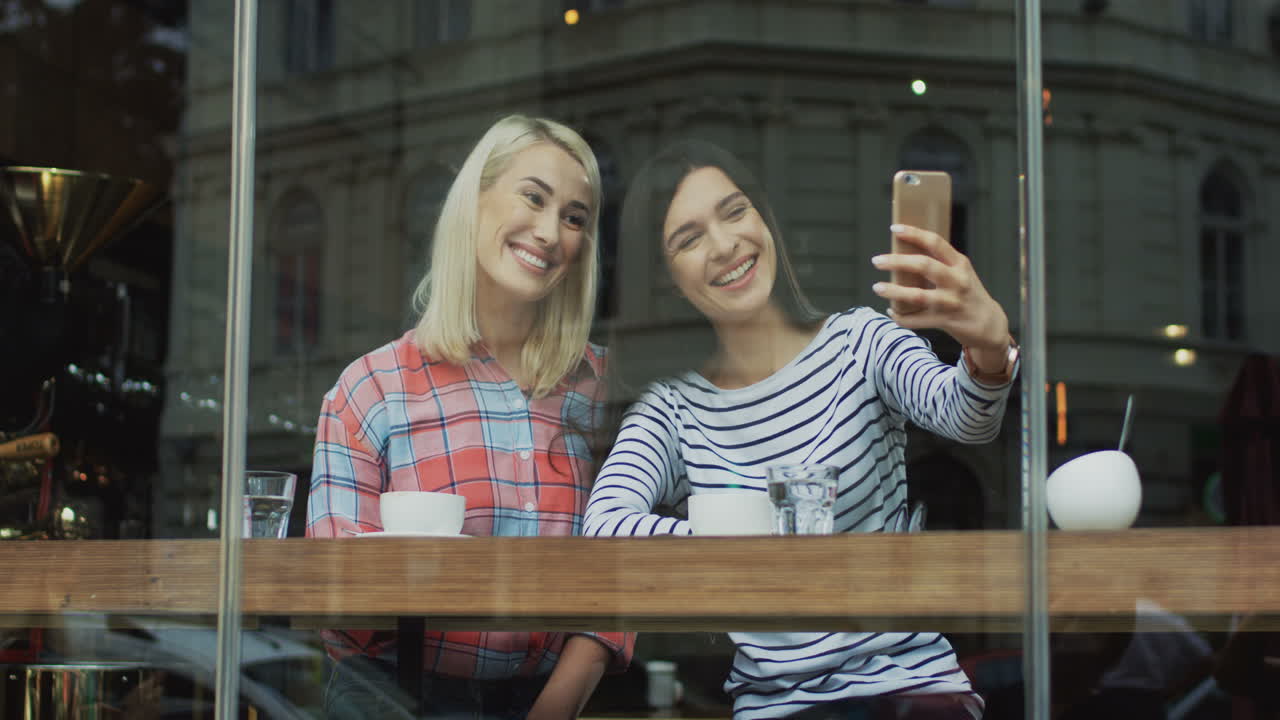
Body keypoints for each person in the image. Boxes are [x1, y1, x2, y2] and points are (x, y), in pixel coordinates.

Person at [583, 139, 1018, 720]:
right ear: (667, 279)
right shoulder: (674, 408)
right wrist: (752, 541)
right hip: (776, 708)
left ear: (764, 218)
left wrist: (989, 344)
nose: (725, 244)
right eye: (688, 239)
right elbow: (605, 527)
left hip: (910, 692)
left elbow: (965, 415)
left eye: (735, 211)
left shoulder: (859, 341)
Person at [307, 114, 633, 720]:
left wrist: (554, 707)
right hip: (395, 697)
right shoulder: (369, 389)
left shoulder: (607, 390)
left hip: (555, 699)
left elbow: (627, 574)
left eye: (574, 217)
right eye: (532, 198)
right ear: (474, 202)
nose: (550, 231)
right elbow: (340, 605)